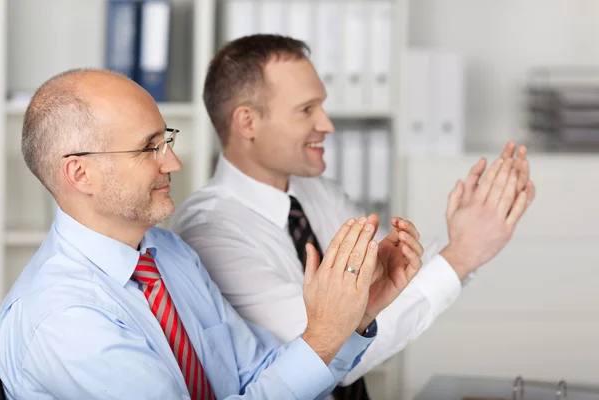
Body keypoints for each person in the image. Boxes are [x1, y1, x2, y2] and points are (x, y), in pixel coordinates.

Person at [0, 69, 422, 400]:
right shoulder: (64, 318)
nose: (174, 164)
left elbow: (260, 373)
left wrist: (355, 315)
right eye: (150, 148)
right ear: (80, 173)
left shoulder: (168, 254)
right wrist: (323, 335)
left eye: (167, 140)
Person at [169, 34, 536, 399]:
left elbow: (390, 286)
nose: (327, 125)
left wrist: (464, 240)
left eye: (322, 107)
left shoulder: (316, 192)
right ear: (247, 122)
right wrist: (460, 257)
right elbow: (324, 350)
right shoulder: (210, 232)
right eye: (306, 110)